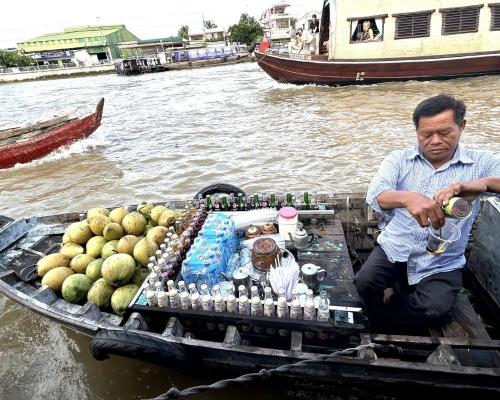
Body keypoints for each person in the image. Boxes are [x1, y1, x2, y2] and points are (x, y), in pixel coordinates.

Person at [355, 94, 500, 333]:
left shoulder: (482, 162)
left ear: (461, 126)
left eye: (444, 133)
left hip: (442, 260)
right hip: (396, 247)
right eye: (426, 135)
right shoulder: (399, 159)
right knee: (364, 283)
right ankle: (382, 319)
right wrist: (408, 198)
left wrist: (480, 185)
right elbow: (376, 194)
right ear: (416, 132)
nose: (435, 141)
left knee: (432, 309)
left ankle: (390, 303)